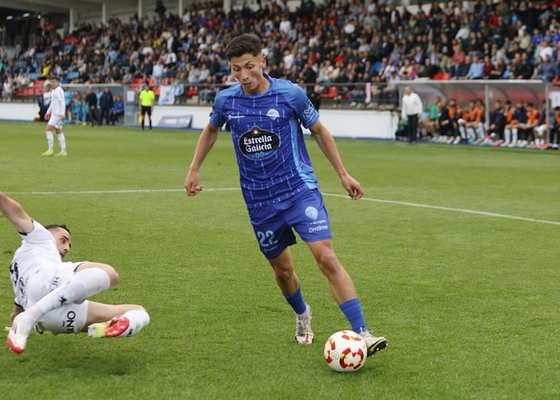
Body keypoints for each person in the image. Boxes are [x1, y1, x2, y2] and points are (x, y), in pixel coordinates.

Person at [183, 34, 387, 357]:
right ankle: (302, 313)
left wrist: (343, 173)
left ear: (263, 61)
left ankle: (363, 332)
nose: (243, 76)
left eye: (249, 66)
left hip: (298, 190)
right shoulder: (226, 101)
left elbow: (319, 131)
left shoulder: (289, 94)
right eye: (236, 69)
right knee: (283, 271)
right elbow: (211, 129)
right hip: (259, 201)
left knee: (326, 257)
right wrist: (194, 169)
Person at [1, 190, 150, 354]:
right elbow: (17, 213)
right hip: (46, 296)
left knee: (138, 311)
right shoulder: (41, 238)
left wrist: (15, 321)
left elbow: (17, 308)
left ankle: (108, 326)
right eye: (63, 240)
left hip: (46, 317)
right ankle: (31, 316)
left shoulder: (19, 264)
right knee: (110, 274)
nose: (66, 248)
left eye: (69, 245)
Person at [42, 77, 67, 157]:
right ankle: (63, 151)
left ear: (58, 82)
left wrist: (63, 113)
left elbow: (62, 102)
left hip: (57, 114)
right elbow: (53, 103)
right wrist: (48, 112)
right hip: (55, 114)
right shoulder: (54, 91)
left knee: (48, 129)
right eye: (52, 82)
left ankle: (50, 149)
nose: (53, 83)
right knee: (58, 131)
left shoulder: (59, 90)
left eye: (54, 82)